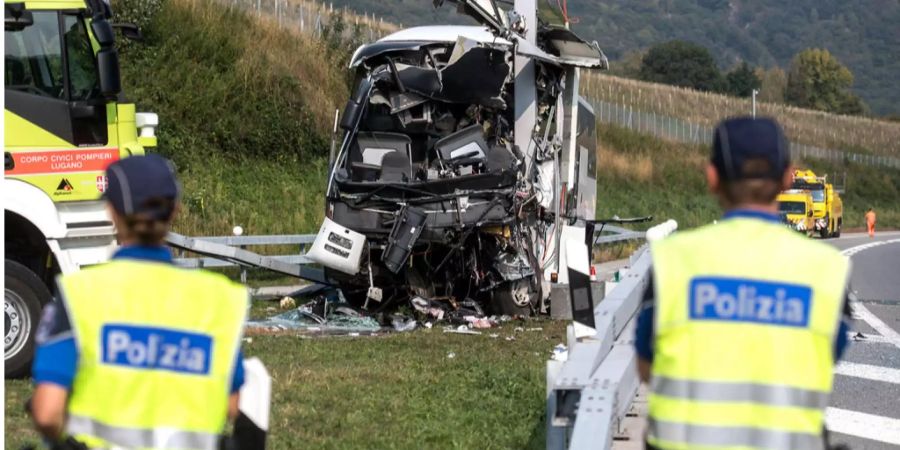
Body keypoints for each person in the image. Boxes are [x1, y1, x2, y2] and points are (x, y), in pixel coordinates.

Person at [635, 117, 852, 450]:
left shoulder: (672, 260)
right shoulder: (828, 271)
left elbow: (647, 367)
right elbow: (828, 356)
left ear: (712, 178)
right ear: (787, 177)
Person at [30, 155, 249, 450]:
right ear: (175, 211)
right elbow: (235, 405)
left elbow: (47, 411)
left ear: (112, 212)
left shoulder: (79, 295)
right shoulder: (221, 299)